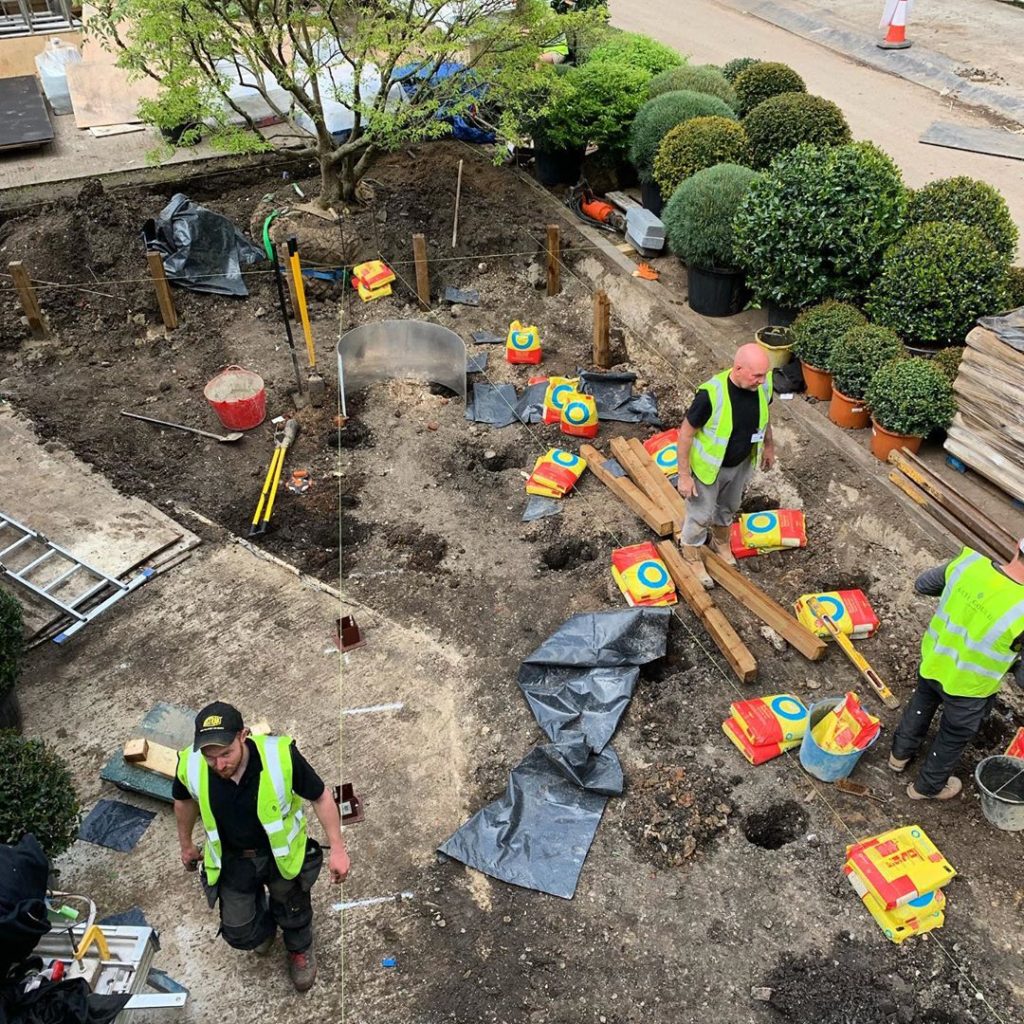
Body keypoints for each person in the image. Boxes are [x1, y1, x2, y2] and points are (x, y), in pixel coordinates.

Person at [173, 702, 350, 992]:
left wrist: (338, 849)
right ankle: (266, 924)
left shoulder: (280, 756)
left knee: (292, 908)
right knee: (240, 932)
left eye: (226, 754)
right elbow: (183, 801)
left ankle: (299, 947)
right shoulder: (190, 764)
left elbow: (320, 797)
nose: (219, 765)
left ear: (243, 736)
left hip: (281, 857)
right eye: (210, 757)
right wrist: (186, 844)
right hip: (234, 861)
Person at [889, 541, 1024, 800]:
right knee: (953, 734)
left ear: (1017, 548)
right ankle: (926, 788)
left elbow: (923, 585)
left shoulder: (969, 565)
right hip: (970, 687)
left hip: (935, 660)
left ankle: (899, 755)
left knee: (922, 702)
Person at [676, 343, 775, 587]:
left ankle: (720, 542)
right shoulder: (711, 394)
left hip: (740, 463)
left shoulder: (762, 388)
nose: (762, 381)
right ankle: (690, 552)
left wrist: (769, 446)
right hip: (709, 469)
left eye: (764, 374)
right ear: (738, 368)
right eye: (757, 375)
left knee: (729, 506)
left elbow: (765, 417)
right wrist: (684, 475)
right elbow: (685, 434)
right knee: (700, 514)